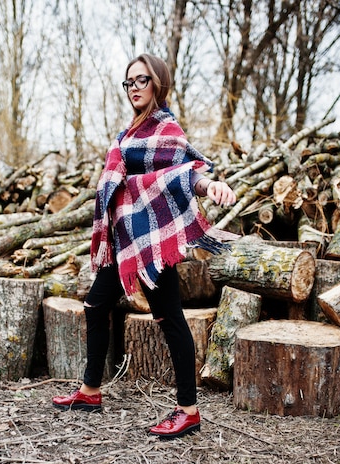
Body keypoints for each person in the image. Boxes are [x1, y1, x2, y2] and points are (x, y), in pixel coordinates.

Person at [52, 53, 237, 439]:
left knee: (169, 318)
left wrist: (209, 185)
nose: (134, 88)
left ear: (158, 83)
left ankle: (188, 410)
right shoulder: (128, 134)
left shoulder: (167, 129)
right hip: (123, 242)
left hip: (152, 242)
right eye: (129, 82)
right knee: (95, 304)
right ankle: (90, 391)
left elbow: (183, 172)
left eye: (141, 80)